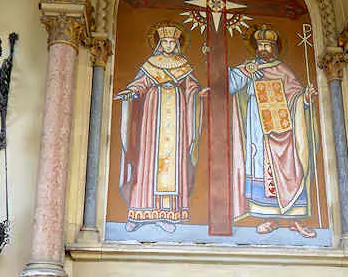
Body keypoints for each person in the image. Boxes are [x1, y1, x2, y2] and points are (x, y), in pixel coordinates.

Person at [114, 22, 208, 233]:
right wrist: (131, 92)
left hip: (177, 115)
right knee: (148, 161)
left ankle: (167, 214)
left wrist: (197, 95)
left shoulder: (183, 64)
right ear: (159, 43)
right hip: (153, 116)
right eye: (164, 41)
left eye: (171, 42)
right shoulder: (151, 63)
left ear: (177, 44)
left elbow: (191, 87)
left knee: (173, 164)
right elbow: (140, 84)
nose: (168, 45)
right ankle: (139, 212)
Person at [229, 24, 318, 237]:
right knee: (261, 168)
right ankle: (269, 218)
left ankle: (296, 219)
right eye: (261, 44)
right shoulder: (249, 67)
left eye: (268, 45)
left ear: (274, 47)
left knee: (290, 168)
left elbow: (295, 93)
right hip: (258, 126)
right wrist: (239, 71)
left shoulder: (283, 69)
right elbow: (230, 85)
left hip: (283, 128)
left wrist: (304, 97)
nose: (264, 49)